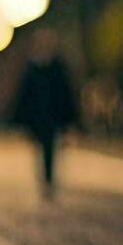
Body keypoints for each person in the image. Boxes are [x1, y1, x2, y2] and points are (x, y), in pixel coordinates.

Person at [11, 28, 79, 197]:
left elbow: (66, 95)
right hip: (37, 118)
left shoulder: (57, 68)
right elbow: (24, 96)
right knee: (41, 149)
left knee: (49, 149)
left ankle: (48, 180)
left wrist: (70, 119)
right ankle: (46, 179)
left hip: (53, 117)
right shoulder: (33, 69)